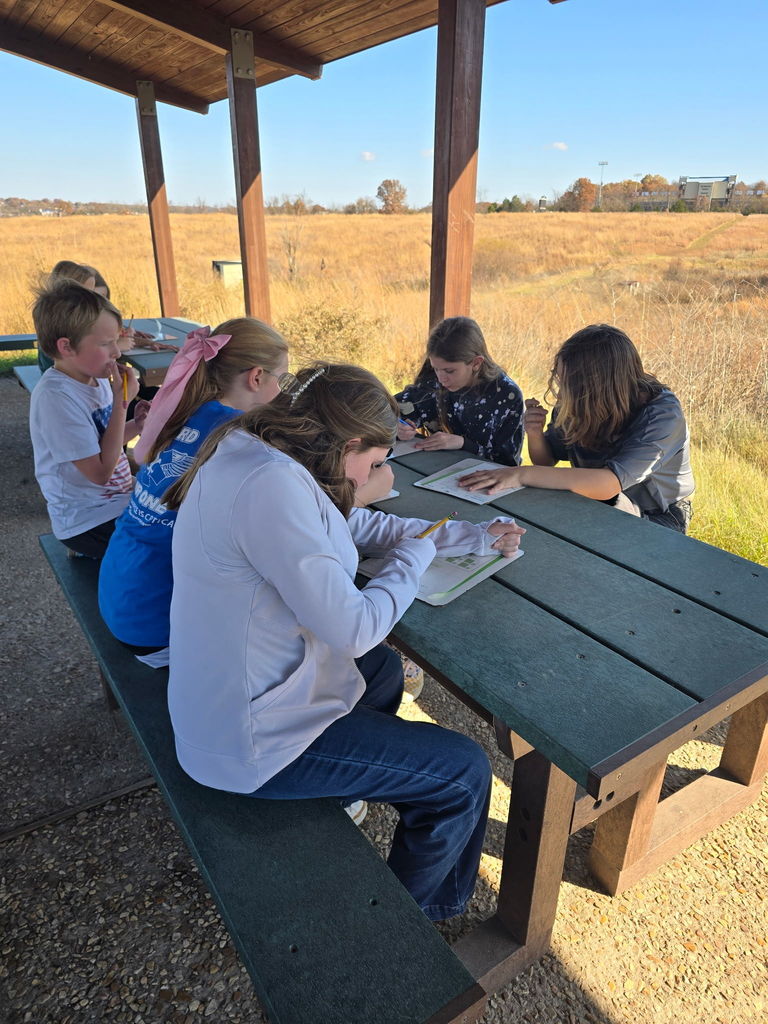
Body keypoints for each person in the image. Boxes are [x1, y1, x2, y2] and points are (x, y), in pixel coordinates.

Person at [163, 363, 524, 920]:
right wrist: (417, 555)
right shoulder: (272, 486)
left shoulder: (258, 453)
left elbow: (351, 526)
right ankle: (417, 918)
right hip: (245, 740)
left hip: (223, 701)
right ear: (349, 442)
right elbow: (355, 628)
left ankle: (345, 786)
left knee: (379, 671)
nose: (381, 475)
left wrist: (463, 535)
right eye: (377, 463)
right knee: (463, 771)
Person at [98, 318, 290, 667]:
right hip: (158, 629)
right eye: (282, 379)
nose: (283, 391)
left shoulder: (187, 411)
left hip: (121, 599)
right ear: (257, 377)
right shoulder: (240, 440)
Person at [458, 324, 695, 532]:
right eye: (560, 380)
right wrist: (534, 432)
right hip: (598, 504)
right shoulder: (580, 402)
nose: (560, 393)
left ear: (597, 386)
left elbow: (609, 484)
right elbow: (546, 461)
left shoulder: (661, 415)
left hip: (657, 515)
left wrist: (520, 473)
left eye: (569, 383)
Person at [29, 278, 146, 558]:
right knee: (171, 544)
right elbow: (99, 473)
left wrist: (136, 425)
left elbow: (106, 441)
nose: (117, 352)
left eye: (116, 341)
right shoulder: (56, 398)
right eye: (107, 344)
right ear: (67, 347)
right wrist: (121, 403)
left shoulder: (96, 377)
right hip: (87, 520)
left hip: (116, 498)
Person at [395, 316, 524, 466]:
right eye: (436, 368)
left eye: (450, 371)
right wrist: (397, 426)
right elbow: (385, 409)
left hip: (483, 479)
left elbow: (508, 461)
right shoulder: (433, 379)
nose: (442, 378)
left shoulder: (506, 395)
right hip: (431, 467)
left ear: (476, 363)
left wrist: (463, 444)